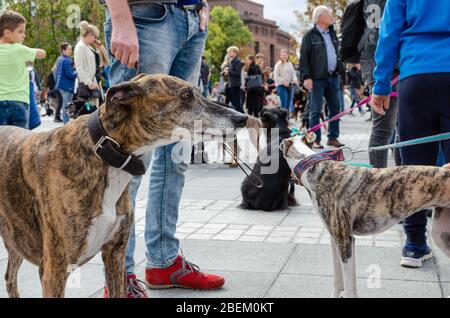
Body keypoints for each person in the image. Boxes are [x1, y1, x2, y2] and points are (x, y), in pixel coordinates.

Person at [103, 0, 224, 298]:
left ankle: (164, 261)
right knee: (127, 153)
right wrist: (119, 15)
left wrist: (202, 8)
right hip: (145, 15)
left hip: (191, 19)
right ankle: (119, 277)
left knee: (177, 152)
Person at [371, 0, 450, 268]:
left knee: (414, 167)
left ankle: (414, 244)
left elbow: (389, 30)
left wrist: (381, 82)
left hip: (416, 74)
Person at [300, 5, 345, 149]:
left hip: (333, 77)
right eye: (328, 14)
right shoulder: (309, 36)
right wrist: (306, 77)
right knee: (315, 110)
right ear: (319, 18)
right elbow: (304, 59)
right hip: (316, 79)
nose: (331, 16)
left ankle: (333, 137)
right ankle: (315, 139)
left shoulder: (332, 34)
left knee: (335, 108)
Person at [360, 0, 398, 168]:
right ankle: (378, 179)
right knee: (384, 130)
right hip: (386, 67)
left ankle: (399, 178)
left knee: (399, 130)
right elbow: (378, 35)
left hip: (381, 65)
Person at [0, 10, 46, 128]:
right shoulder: (19, 49)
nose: (24, 35)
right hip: (19, 102)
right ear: (7, 33)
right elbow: (42, 54)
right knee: (19, 142)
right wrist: (28, 51)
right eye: (20, 32)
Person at [74, 21, 100, 111]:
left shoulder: (88, 47)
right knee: (89, 111)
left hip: (92, 82)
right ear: (88, 34)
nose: (95, 39)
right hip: (87, 84)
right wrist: (88, 82)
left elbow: (99, 63)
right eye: (94, 36)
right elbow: (79, 67)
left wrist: (98, 48)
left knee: (93, 109)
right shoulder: (80, 47)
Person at [54, 42, 77, 124]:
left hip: (61, 86)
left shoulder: (59, 59)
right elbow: (70, 74)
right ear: (64, 50)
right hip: (67, 86)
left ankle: (65, 123)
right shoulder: (67, 60)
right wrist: (77, 72)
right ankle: (66, 124)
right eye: (69, 49)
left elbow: (55, 73)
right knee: (66, 106)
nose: (71, 51)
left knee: (65, 105)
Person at [274, 49, 298, 117]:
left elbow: (293, 74)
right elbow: (276, 77)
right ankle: (281, 120)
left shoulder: (290, 64)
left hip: (290, 86)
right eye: (283, 55)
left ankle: (286, 119)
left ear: (288, 56)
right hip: (281, 86)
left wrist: (295, 80)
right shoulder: (278, 64)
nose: (284, 56)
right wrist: (283, 81)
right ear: (280, 56)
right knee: (284, 104)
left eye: (286, 55)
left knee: (288, 104)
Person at [224, 46, 243, 113]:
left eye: (230, 52)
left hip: (236, 84)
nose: (228, 53)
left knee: (236, 103)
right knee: (233, 102)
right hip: (232, 84)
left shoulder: (237, 61)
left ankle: (242, 116)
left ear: (235, 53)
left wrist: (229, 71)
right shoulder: (232, 61)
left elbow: (238, 73)